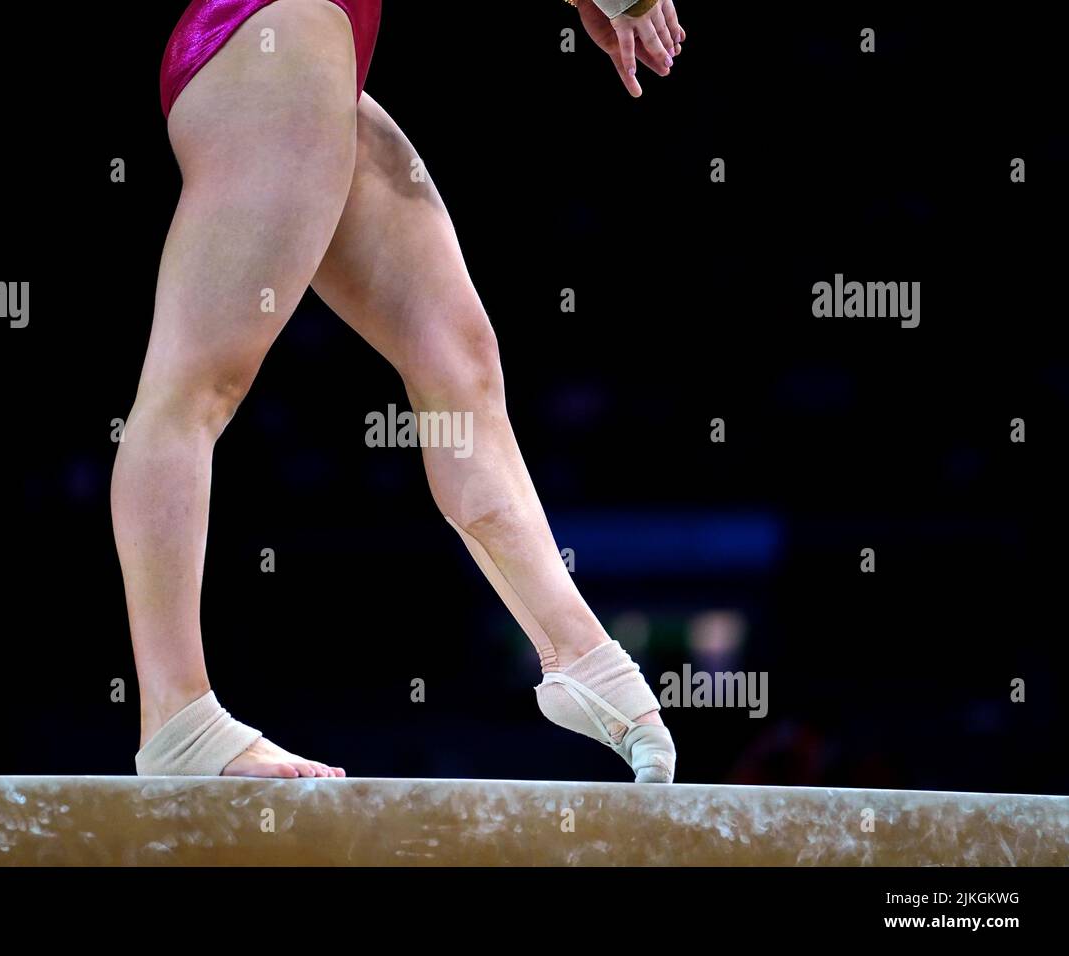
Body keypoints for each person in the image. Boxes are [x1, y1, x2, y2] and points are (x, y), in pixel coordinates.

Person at [113, 0, 686, 781]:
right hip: (268, 28)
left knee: (461, 366)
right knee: (196, 385)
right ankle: (176, 718)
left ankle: (585, 659)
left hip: (321, 51)